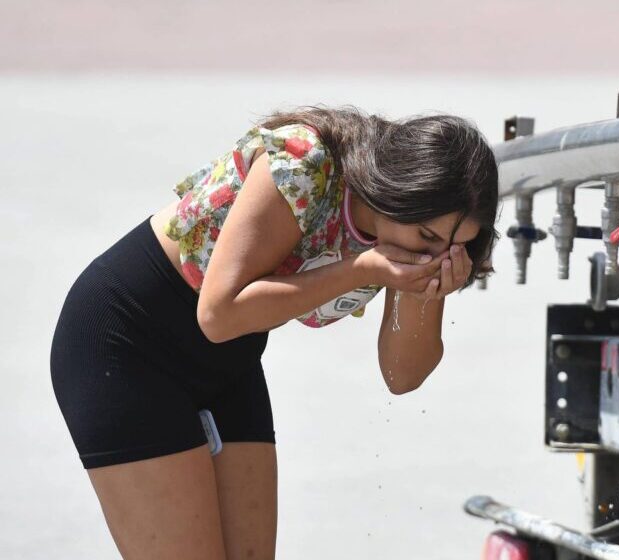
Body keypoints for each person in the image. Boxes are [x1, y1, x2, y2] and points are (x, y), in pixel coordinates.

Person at [49, 104, 499, 559]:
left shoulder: (426, 242)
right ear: (395, 192)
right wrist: (359, 269)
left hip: (230, 358)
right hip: (129, 342)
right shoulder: (306, 161)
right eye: (426, 238)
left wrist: (429, 288)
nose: (434, 255)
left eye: (454, 246)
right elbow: (219, 313)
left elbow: (401, 376)